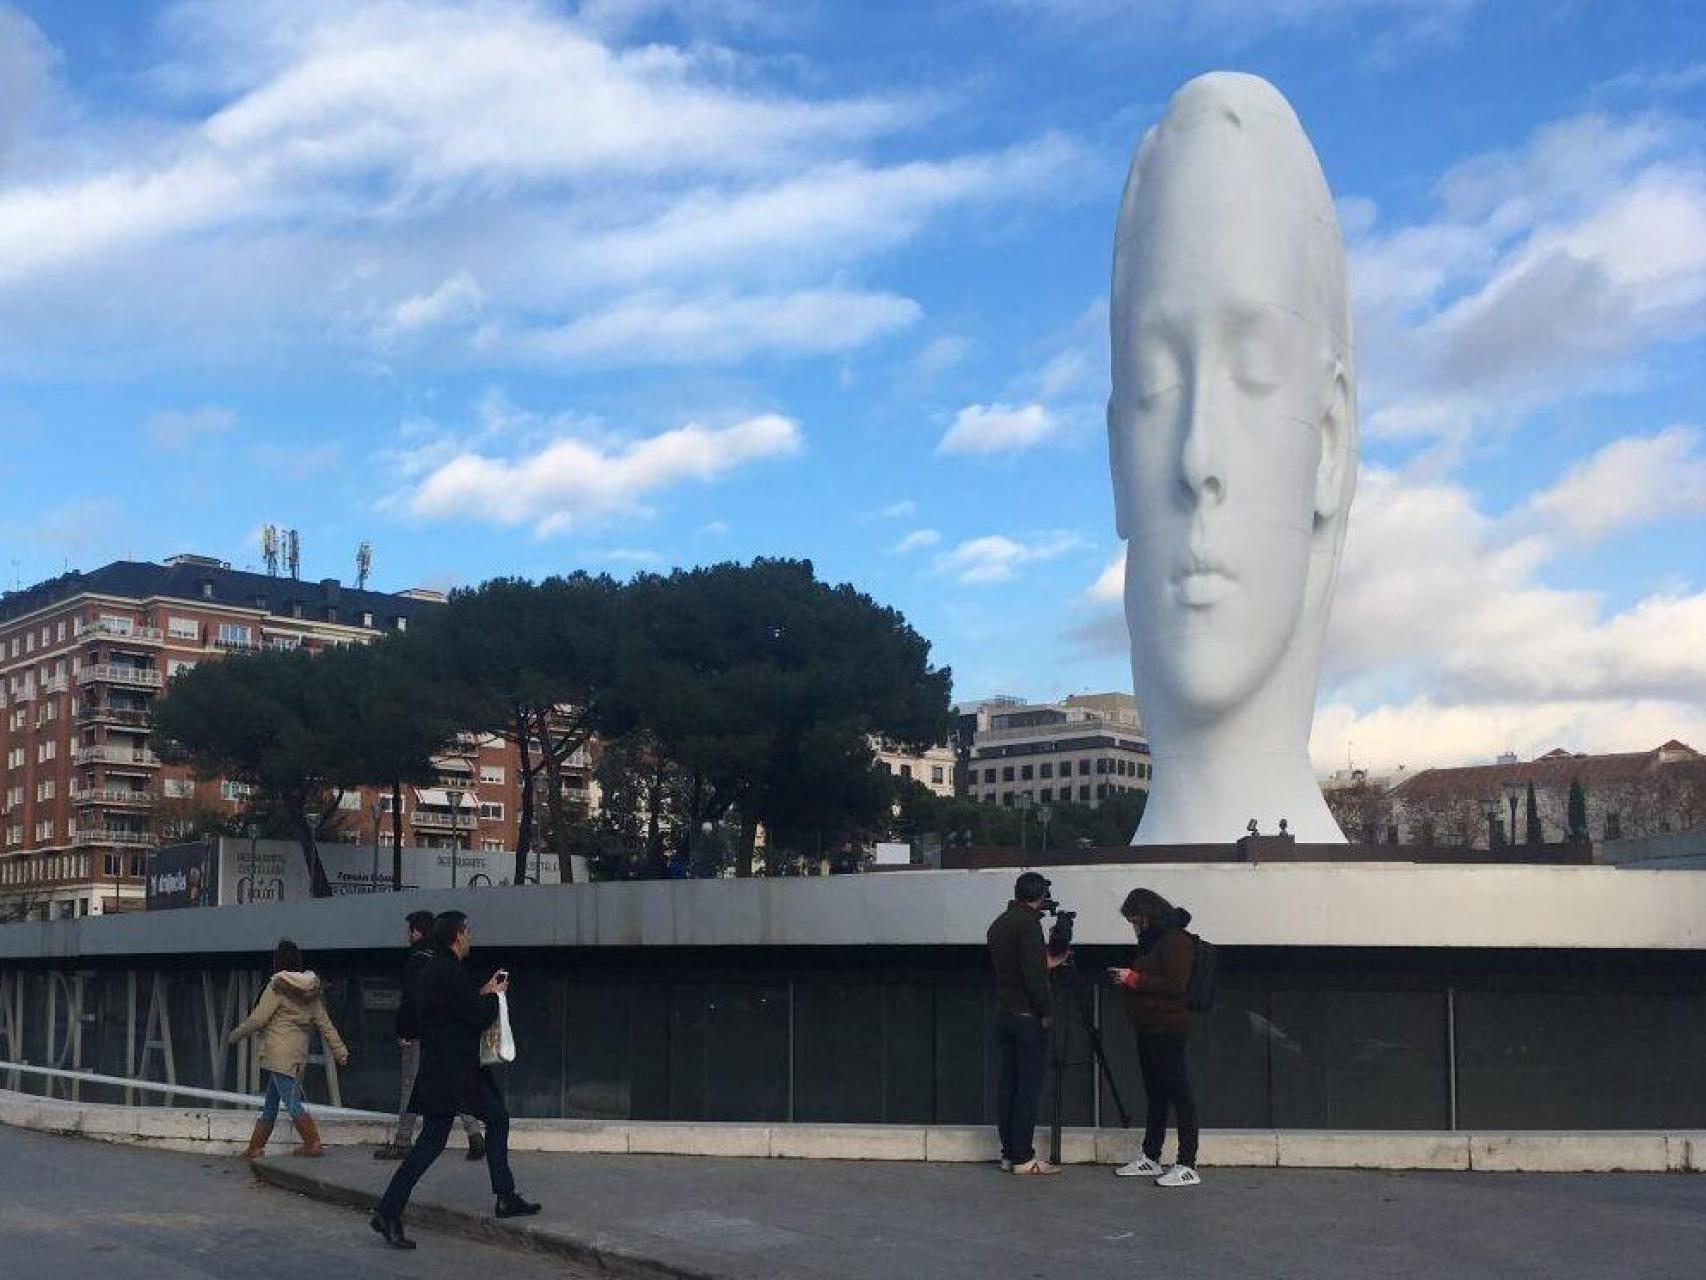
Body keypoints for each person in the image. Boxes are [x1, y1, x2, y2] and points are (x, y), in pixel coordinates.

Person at [371, 910, 540, 1250]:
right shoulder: (448, 970)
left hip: (443, 1069)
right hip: (456, 1072)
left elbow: (444, 1011)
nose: (470, 937)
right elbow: (476, 1017)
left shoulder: (435, 970)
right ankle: (389, 1211)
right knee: (438, 1141)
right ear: (457, 935)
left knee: (481, 1123)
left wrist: (483, 992)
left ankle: (503, 1195)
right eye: (468, 931)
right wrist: (495, 995)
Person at [373, 909, 487, 1163]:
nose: (409, 935)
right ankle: (475, 1134)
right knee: (453, 1084)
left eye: (411, 930)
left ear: (417, 931)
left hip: (420, 1033)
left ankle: (402, 1142)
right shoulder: (445, 958)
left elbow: (412, 997)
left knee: (410, 1086)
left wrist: (405, 1030)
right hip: (447, 1036)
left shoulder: (418, 957)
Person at [1108, 888, 1200, 1188]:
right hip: (1149, 1025)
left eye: (1135, 920)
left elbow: (1175, 985)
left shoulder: (1175, 941)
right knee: (1156, 1093)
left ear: (1146, 916)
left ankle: (1187, 1162)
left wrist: (1134, 979)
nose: (1134, 927)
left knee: (1179, 1093)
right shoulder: (1154, 943)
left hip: (1168, 1026)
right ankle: (1151, 1154)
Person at [229, 938, 350, 1160]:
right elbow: (325, 1023)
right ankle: (255, 1148)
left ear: (277, 962)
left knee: (291, 1101)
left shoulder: (276, 987)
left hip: (278, 1053)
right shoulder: (311, 992)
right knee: (271, 1104)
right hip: (297, 1054)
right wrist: (340, 1051)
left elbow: (258, 1019)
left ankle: (312, 1142)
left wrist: (235, 1035)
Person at [986, 871, 1068, 1176]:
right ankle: (1023, 1156)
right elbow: (1034, 977)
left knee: (1008, 1085)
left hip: (1005, 1013)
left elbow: (1018, 964)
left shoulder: (1001, 923)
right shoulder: (1029, 926)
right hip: (1026, 1017)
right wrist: (1046, 1011)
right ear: (1041, 896)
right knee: (1028, 1089)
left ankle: (1009, 1152)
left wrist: (1045, 961)